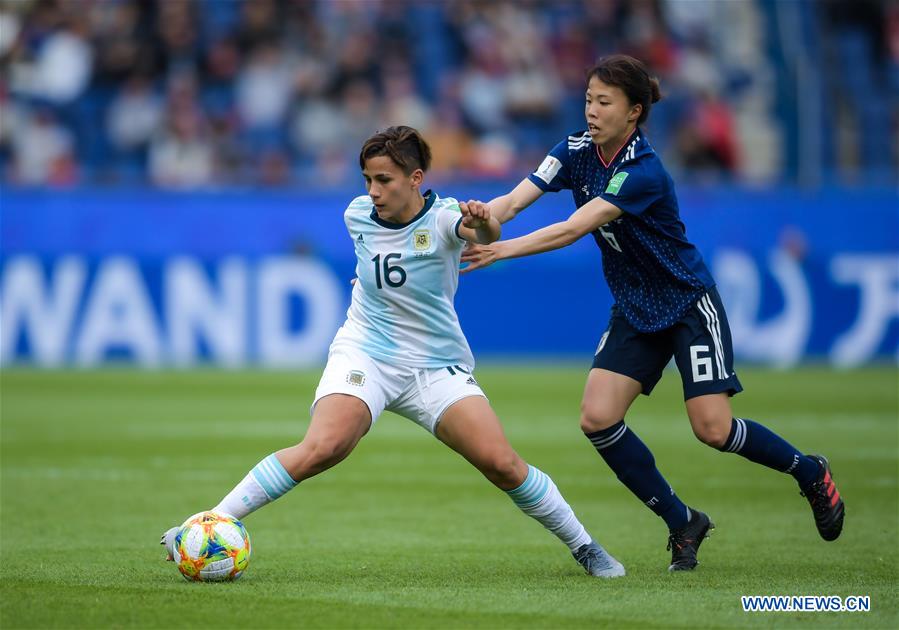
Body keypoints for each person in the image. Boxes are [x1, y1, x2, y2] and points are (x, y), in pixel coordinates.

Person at [161, 126, 624, 578]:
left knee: (502, 464)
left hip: (434, 365)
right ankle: (203, 525)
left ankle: (585, 546)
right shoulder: (357, 215)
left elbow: (482, 234)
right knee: (325, 445)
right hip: (367, 352)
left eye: (384, 179)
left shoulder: (444, 218)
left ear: (416, 178)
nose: (373, 190)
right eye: (368, 179)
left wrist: (485, 223)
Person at [459, 55, 844, 571]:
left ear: (634, 112)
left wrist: (501, 251)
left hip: (687, 303)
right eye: (589, 100)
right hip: (636, 308)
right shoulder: (572, 150)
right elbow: (511, 203)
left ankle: (808, 471)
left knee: (712, 429)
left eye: (604, 103)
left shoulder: (642, 171)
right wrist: (486, 216)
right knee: (597, 418)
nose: (591, 111)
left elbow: (576, 226)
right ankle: (682, 522)